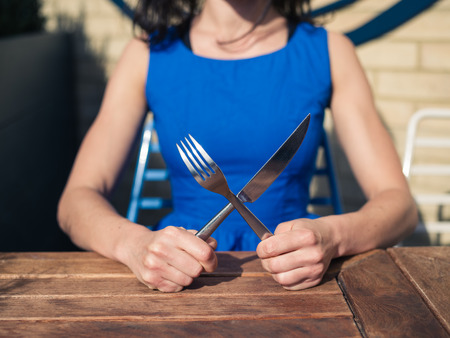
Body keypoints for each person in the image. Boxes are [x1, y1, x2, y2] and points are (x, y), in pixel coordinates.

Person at [57, 0, 418, 293]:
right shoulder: (147, 55)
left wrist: (332, 236)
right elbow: (76, 199)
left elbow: (399, 205)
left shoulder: (329, 51)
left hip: (294, 280)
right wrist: (136, 246)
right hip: (179, 280)